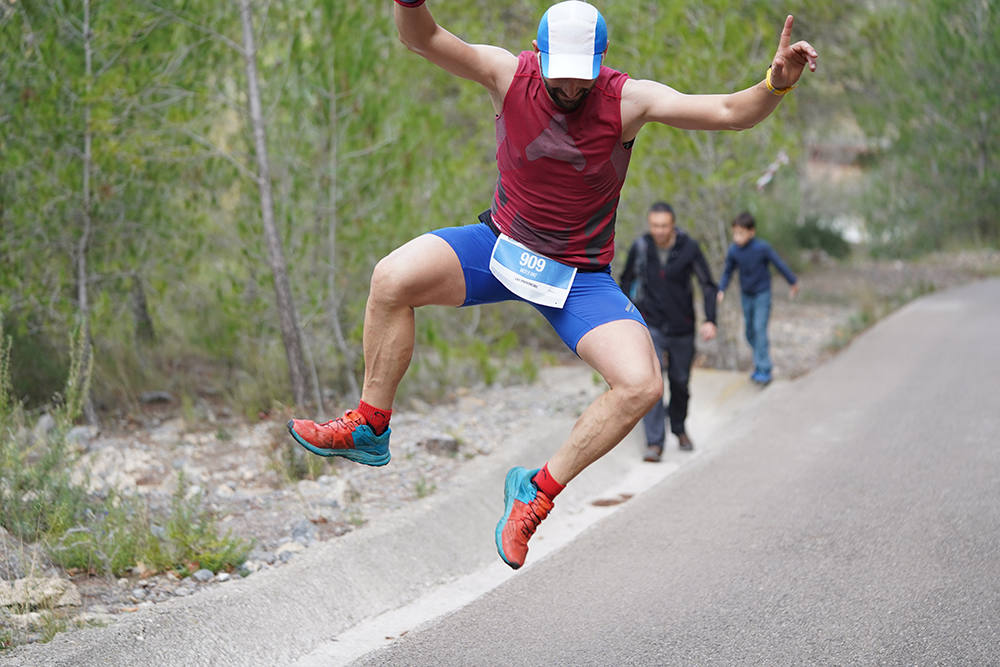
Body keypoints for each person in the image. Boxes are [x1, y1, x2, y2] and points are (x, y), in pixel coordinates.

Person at [288, 0, 818, 570]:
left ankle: (535, 493)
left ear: (602, 58)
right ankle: (370, 424)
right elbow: (425, 39)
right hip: (499, 248)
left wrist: (773, 85)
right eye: (557, 68)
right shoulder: (506, 74)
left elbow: (729, 111)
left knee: (641, 385)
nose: (569, 83)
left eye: (581, 71)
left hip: (578, 277)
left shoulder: (626, 101)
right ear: (538, 54)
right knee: (391, 277)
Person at [619, 202, 718, 462]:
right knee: (652, 384)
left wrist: (711, 319)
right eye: (654, 226)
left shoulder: (689, 248)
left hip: (682, 325)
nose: (659, 231)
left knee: (680, 382)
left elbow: (707, 284)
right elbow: (624, 280)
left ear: (673, 225)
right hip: (650, 323)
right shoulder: (641, 247)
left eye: (663, 226)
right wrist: (625, 317)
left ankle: (678, 427)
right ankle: (655, 443)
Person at [717, 211, 800, 385]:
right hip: (746, 295)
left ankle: (764, 368)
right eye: (735, 233)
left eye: (741, 233)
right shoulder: (734, 251)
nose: (737, 237)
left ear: (751, 232)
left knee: (759, 329)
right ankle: (759, 363)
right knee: (749, 332)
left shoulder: (762, 248)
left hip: (762, 294)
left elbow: (779, 264)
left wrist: (792, 282)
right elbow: (728, 271)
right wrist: (721, 289)